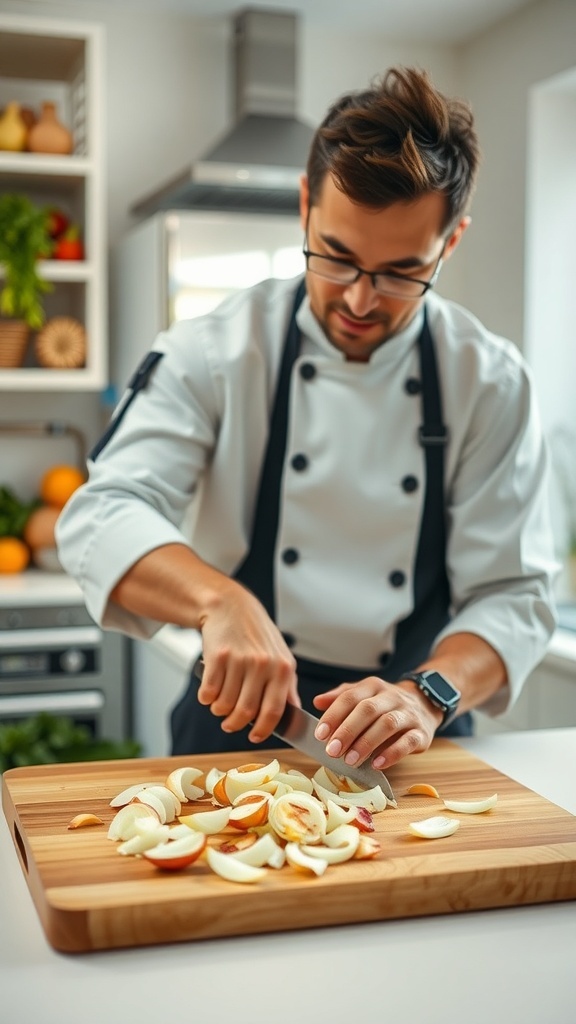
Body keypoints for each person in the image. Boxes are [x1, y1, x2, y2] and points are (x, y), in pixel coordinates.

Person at [56, 66, 558, 773]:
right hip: (237, 721)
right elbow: (102, 515)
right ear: (304, 206)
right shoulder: (215, 349)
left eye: (400, 272)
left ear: (450, 243)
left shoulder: (490, 379)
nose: (358, 299)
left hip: (414, 740)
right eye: (337, 257)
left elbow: (516, 595)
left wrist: (427, 695)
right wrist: (217, 599)